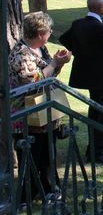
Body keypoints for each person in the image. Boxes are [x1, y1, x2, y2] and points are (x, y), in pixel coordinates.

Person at [9, 12, 72, 203]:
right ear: (40, 32)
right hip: (26, 114)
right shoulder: (22, 54)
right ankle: (28, 195)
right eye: (48, 30)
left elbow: (49, 74)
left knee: (47, 153)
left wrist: (58, 63)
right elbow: (33, 82)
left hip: (44, 112)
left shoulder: (39, 50)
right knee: (31, 155)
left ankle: (49, 190)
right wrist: (54, 63)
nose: (51, 33)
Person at [60, 0, 103, 164]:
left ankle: (93, 148)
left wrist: (82, 52)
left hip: (88, 76)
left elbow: (64, 38)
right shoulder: (99, 28)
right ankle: (98, 151)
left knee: (94, 112)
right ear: (101, 7)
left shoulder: (78, 24)